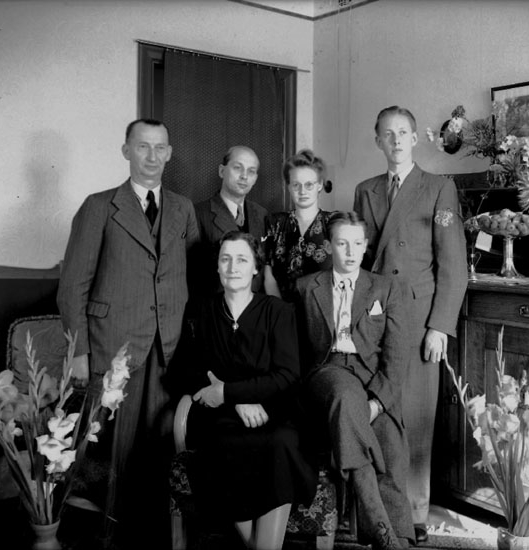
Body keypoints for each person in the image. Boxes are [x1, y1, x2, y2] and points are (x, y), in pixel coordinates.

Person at [56, 118, 199, 549]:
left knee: (158, 446)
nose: (152, 156)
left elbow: (194, 278)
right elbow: (72, 286)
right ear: (126, 151)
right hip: (112, 344)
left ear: (169, 154)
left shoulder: (183, 209)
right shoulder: (99, 206)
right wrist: (79, 352)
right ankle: (104, 537)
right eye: (142, 147)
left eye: (160, 148)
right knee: (107, 447)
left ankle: (148, 535)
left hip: (168, 346)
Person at [353, 106, 467, 544]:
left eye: (403, 133)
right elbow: (360, 258)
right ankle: (381, 510)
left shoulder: (438, 187)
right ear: (377, 141)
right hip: (376, 315)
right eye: (388, 134)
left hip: (419, 319)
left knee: (417, 413)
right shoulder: (365, 190)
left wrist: (440, 326)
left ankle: (415, 514)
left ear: (415, 139)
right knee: (380, 409)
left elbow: (452, 264)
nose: (396, 140)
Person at [183, 231, 317, 550]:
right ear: (217, 266)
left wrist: (231, 392)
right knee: (223, 446)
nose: (233, 267)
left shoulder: (278, 311)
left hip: (274, 412)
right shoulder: (202, 311)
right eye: (225, 259)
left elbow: (288, 375)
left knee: (280, 443)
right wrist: (234, 401)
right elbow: (187, 371)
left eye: (242, 259)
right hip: (222, 417)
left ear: (256, 267)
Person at [296, 211, 414, 549]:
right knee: (346, 396)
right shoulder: (306, 287)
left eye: (357, 244)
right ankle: (381, 528)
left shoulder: (385, 288)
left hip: (372, 378)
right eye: (342, 243)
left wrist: (378, 403)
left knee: (388, 437)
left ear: (365, 246)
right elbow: (298, 353)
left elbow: (396, 356)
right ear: (330, 245)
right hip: (327, 371)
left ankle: (399, 538)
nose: (350, 252)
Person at [193, 146, 269, 301]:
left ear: (255, 178)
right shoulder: (197, 214)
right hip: (214, 308)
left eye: (251, 171)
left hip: (255, 309)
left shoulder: (262, 215)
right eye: (237, 168)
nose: (244, 176)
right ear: (222, 171)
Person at [263, 149, 333, 302]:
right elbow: (268, 277)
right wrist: (281, 312)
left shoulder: (333, 223)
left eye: (309, 185)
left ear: (320, 185)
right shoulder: (275, 223)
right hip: (280, 309)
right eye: (296, 185)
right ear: (288, 186)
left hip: (324, 312)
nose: (302, 191)